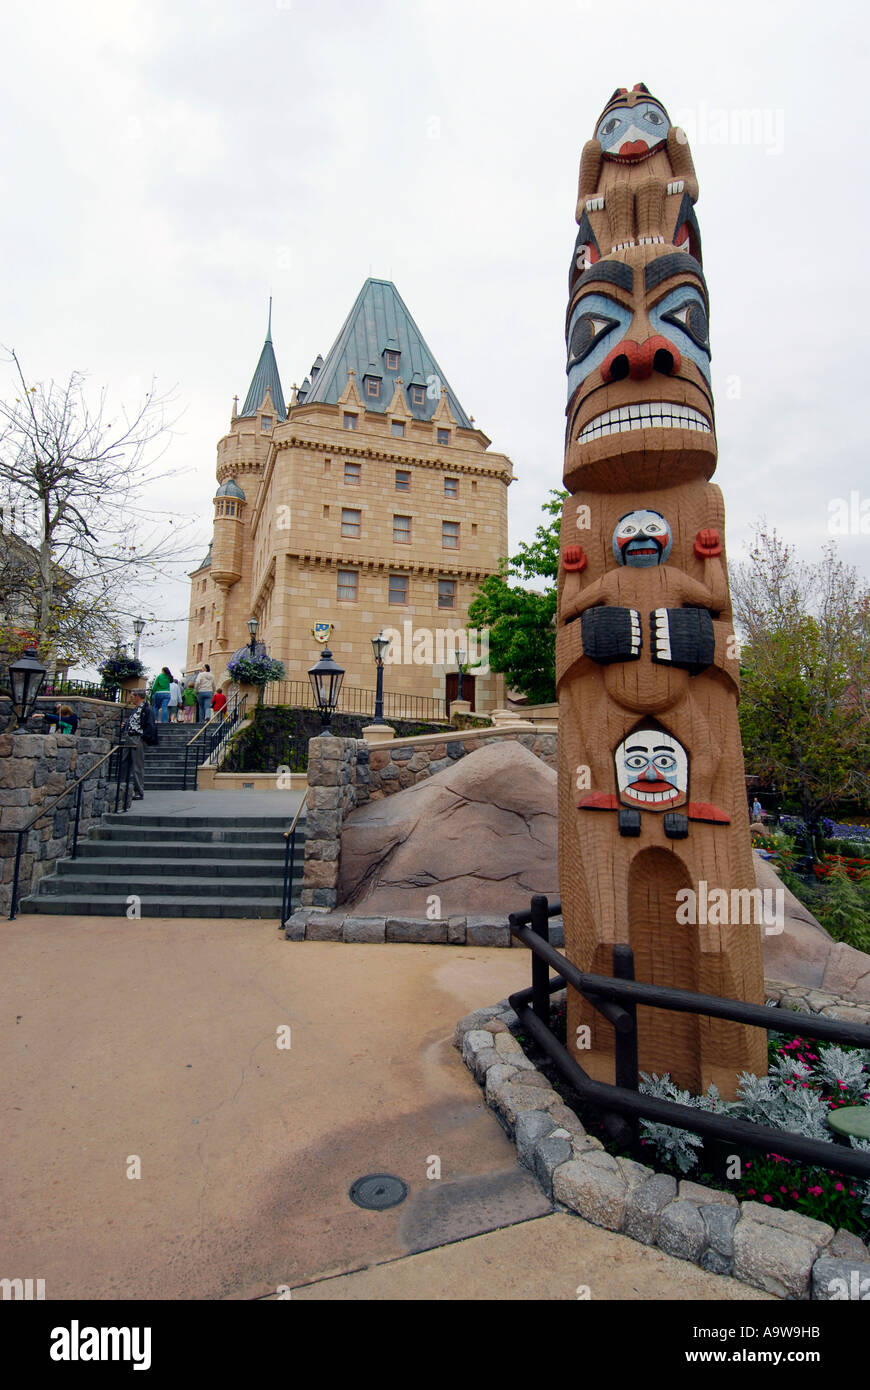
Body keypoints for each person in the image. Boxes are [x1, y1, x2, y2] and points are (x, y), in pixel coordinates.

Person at [122, 689, 158, 800]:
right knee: (124, 763)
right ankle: (123, 788)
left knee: (137, 766)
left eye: (132, 696)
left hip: (138, 738)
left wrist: (143, 738)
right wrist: (126, 726)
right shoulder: (136, 709)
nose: (131, 698)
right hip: (129, 737)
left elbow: (150, 725)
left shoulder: (146, 709)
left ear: (138, 696)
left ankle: (138, 791)